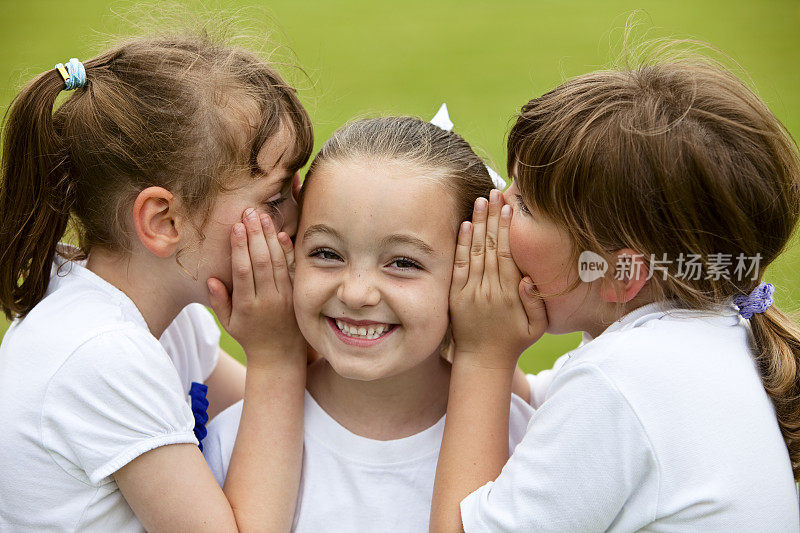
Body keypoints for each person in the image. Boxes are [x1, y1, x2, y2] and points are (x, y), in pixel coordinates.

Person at [430, 56, 800, 532]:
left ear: (623, 273)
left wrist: (484, 356)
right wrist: (469, 323)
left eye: (523, 204)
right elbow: (535, 405)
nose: (495, 202)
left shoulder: (623, 382)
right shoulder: (695, 335)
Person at [0, 32, 313, 531]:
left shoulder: (169, 317)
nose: (299, 218)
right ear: (165, 221)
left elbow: (301, 417)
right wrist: (277, 356)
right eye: (275, 200)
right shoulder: (103, 354)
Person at [203, 115, 534, 531]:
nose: (356, 293)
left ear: (474, 269)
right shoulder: (234, 444)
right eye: (326, 253)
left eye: (402, 263)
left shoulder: (529, 448)